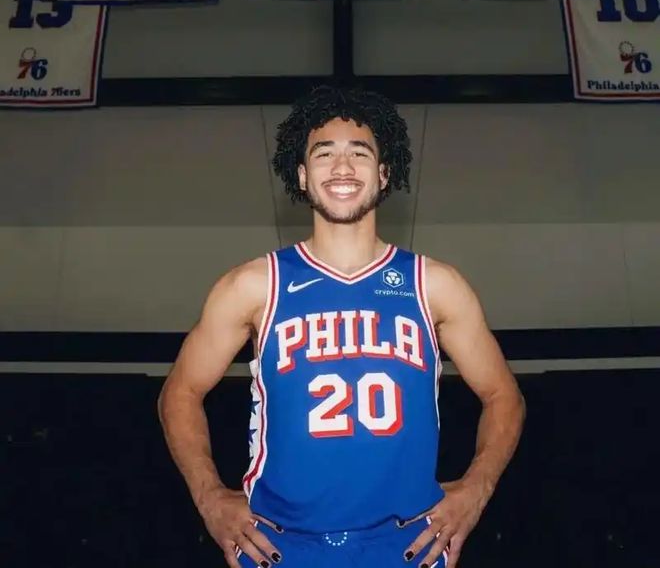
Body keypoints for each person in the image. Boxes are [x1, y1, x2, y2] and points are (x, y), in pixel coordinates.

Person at [158, 85, 525, 568]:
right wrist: (210, 498)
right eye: (324, 153)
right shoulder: (254, 285)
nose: (343, 167)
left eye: (360, 152)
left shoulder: (434, 285)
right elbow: (179, 392)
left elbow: (504, 396)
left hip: (409, 545)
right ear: (302, 175)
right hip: (279, 545)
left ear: (384, 172)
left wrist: (476, 490)